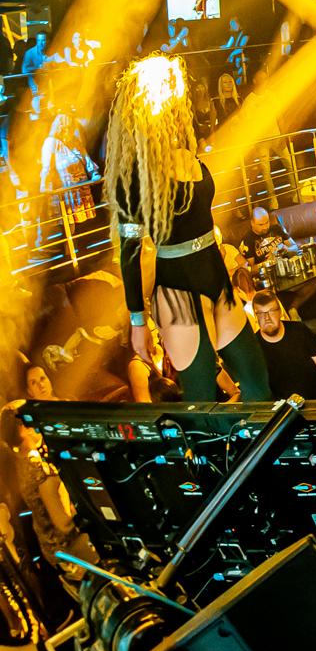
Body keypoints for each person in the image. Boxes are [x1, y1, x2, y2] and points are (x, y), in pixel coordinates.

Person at [106, 56, 236, 402]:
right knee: (202, 388)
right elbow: (130, 254)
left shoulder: (186, 155)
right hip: (176, 285)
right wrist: (138, 321)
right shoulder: (134, 177)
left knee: (248, 379)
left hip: (212, 273)